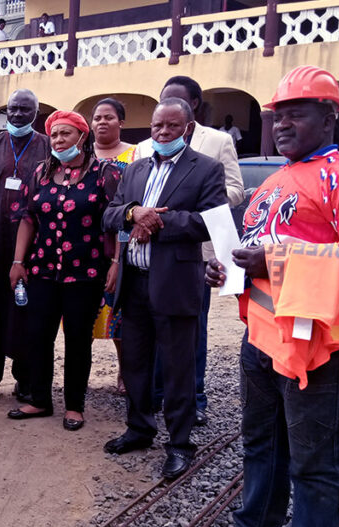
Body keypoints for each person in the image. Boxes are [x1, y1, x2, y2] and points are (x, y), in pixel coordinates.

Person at [192, 66, 339, 527]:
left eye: (296, 114)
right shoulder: (277, 181)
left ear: (329, 117)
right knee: (262, 442)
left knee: (313, 456)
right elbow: (257, 253)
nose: (282, 126)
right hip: (263, 333)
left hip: (320, 338)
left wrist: (274, 260)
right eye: (278, 117)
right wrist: (231, 272)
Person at [102, 97, 226, 479]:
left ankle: (179, 444)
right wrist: (133, 213)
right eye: (157, 126)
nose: (162, 133)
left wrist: (155, 222)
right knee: (136, 363)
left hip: (174, 284)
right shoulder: (135, 169)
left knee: (177, 368)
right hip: (135, 282)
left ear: (187, 129)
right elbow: (110, 214)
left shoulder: (205, 169)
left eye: (171, 126)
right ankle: (140, 429)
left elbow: (210, 221)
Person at [136, 75, 244, 426]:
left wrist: (195, 206)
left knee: (189, 330)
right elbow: (133, 198)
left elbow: (234, 190)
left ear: (192, 105)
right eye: (161, 105)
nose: (164, 126)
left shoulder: (217, 141)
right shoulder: (144, 146)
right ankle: (153, 395)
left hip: (194, 253)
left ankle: (193, 397)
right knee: (148, 330)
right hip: (146, 254)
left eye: (176, 102)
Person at [7, 110, 122, 431]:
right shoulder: (41, 173)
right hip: (42, 270)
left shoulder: (104, 173)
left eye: (66, 134)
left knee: (77, 338)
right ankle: (40, 399)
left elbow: (116, 222)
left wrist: (115, 263)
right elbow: (28, 218)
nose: (59, 140)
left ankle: (74, 406)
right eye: (54, 135)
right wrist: (18, 262)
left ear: (82, 137)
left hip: (85, 272)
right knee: (38, 335)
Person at [0, 89, 50, 404]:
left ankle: (25, 379)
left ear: (36, 110)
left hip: (34, 247)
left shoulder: (47, 146)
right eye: (13, 109)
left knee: (26, 311)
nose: (17, 114)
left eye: (25, 109)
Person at [91, 97, 137, 396]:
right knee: (80, 317)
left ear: (121, 121)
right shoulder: (81, 155)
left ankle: (125, 371)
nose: (102, 122)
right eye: (97, 118)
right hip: (83, 246)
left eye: (109, 117)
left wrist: (119, 256)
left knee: (120, 314)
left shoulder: (135, 157)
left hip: (119, 244)